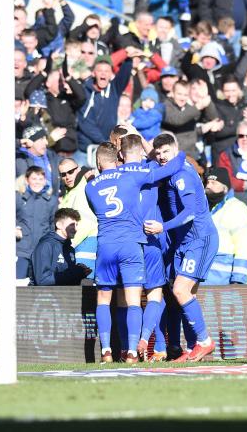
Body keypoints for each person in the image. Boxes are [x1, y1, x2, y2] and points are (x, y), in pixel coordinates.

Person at [86, 141, 184, 363]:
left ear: (99, 161)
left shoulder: (90, 186)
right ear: (117, 158)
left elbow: (96, 209)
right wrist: (181, 154)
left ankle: (107, 351)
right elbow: (167, 169)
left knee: (103, 299)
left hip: (106, 244)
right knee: (134, 301)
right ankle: (132, 351)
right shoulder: (132, 176)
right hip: (133, 243)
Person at [147, 133, 218, 362]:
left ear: (176, 150)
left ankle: (205, 342)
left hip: (200, 238)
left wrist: (163, 227)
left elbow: (189, 213)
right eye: (158, 153)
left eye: (165, 152)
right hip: (184, 242)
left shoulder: (182, 175)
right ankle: (191, 349)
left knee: (180, 290)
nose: (161, 157)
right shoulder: (168, 169)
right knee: (186, 295)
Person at [204, 168, 247, 285]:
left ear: (225, 188)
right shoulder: (201, 207)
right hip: (197, 279)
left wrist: (238, 279)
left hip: (222, 280)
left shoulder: (237, 208)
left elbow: (244, 246)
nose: (208, 185)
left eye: (214, 183)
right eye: (207, 182)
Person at [30, 208, 91, 286]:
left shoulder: (70, 249)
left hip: (63, 295)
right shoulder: (46, 246)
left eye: (76, 225)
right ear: (58, 225)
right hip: (43, 296)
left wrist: (81, 272)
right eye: (72, 224)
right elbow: (42, 280)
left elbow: (67, 278)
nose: (76, 229)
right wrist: (75, 273)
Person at [15, 166, 57, 278]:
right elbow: (6, 216)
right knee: (18, 282)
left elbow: (53, 224)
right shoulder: (18, 198)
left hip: (41, 251)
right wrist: (15, 228)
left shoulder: (51, 201)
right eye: (34, 179)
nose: (37, 182)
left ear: (45, 181)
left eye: (40, 179)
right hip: (21, 249)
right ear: (27, 180)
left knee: (38, 286)